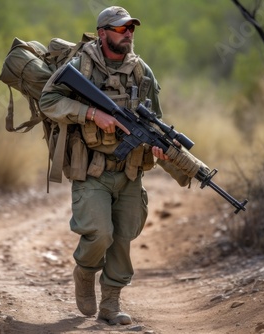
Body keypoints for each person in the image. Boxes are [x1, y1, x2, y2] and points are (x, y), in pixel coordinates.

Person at [39, 6, 189, 325]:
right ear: (103, 33)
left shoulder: (142, 72)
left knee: (123, 236)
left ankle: (110, 304)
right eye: (121, 29)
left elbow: (155, 120)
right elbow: (48, 101)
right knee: (99, 234)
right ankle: (84, 272)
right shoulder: (81, 66)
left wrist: (160, 146)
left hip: (130, 170)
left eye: (131, 28)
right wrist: (93, 114)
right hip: (92, 168)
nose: (129, 34)